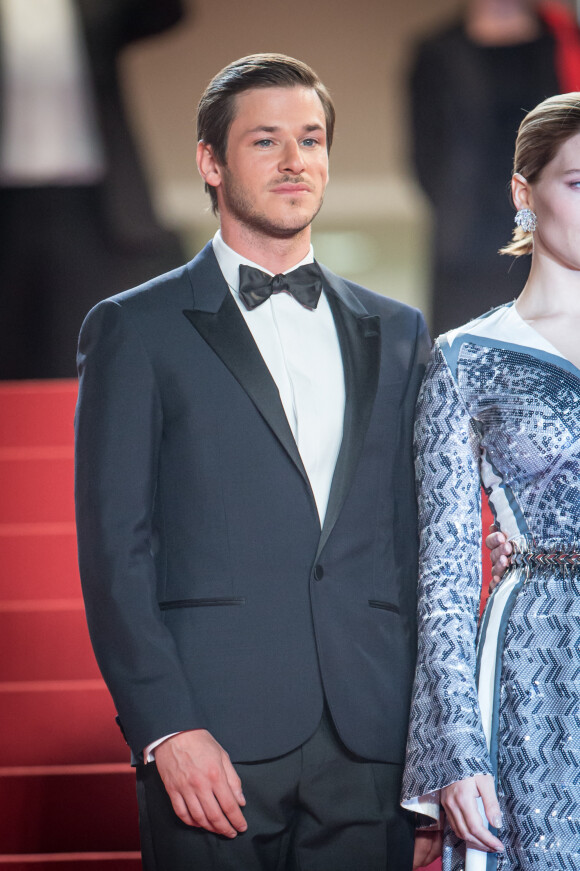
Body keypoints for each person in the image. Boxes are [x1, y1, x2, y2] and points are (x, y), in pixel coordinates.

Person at [74, 53, 432, 871]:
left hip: (371, 741)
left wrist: (428, 752)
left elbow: (411, 543)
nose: (295, 160)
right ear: (211, 161)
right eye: (265, 140)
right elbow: (115, 545)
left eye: (310, 139)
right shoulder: (136, 327)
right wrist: (165, 725)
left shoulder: (401, 329)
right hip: (213, 734)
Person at [402, 91, 580, 870]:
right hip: (535, 663)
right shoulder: (467, 360)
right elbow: (443, 577)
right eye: (579, 182)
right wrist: (454, 753)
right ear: (523, 192)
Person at [0, 0, 185, 380]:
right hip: (9, 206)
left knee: (95, 355)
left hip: (92, 204)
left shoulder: (94, 10)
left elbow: (164, 11)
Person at [409, 0, 580, 337]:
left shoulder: (564, 40)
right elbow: (425, 155)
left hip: (558, 231)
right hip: (469, 245)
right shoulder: (437, 52)